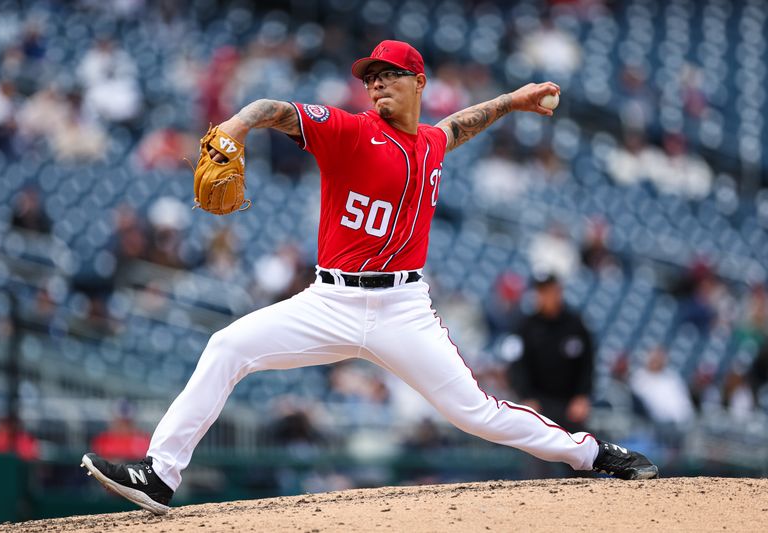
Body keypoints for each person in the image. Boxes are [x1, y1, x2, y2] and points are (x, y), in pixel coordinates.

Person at [81, 40, 657, 515]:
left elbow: (459, 126)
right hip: (329, 300)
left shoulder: (430, 143)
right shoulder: (350, 131)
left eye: (389, 76)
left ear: (418, 82)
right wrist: (235, 124)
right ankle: (158, 475)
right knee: (227, 344)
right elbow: (272, 109)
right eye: (371, 78)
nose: (377, 85)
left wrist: (511, 101)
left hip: (404, 308)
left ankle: (591, 454)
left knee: (475, 412)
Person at [508, 273, 594, 431]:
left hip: (570, 405)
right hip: (538, 404)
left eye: (549, 291)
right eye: (541, 292)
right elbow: (517, 366)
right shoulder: (526, 327)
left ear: (558, 291)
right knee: (540, 452)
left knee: (576, 451)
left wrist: (582, 396)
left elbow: (587, 363)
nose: (545, 296)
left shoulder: (575, 324)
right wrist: (526, 397)